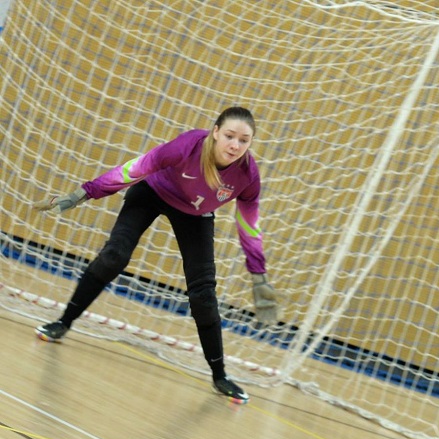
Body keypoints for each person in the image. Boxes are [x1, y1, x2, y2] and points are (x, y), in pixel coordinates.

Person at [31, 106, 277, 404]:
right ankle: (63, 323)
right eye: (229, 136)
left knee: (203, 293)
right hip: (153, 193)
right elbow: (134, 169)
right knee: (115, 255)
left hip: (195, 214)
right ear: (215, 132)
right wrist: (84, 193)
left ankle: (220, 375)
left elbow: (249, 224)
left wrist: (258, 273)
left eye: (244, 140)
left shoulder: (247, 175)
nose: (235, 145)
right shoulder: (187, 146)